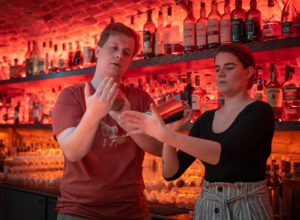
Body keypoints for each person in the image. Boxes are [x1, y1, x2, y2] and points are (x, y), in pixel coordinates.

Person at [120, 43, 275, 220]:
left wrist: (165, 134)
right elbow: (171, 173)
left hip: (246, 207)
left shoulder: (260, 111)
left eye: (229, 68)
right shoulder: (206, 119)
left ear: (248, 72)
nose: (221, 74)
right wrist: (170, 133)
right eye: (217, 69)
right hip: (208, 208)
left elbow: (224, 154)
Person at [52, 23, 163, 220]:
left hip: (132, 212)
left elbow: (160, 148)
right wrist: (93, 115)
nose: (119, 55)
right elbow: (73, 151)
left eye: (126, 52)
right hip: (79, 211)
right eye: (114, 48)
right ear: (98, 52)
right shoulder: (72, 96)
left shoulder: (141, 99)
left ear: (130, 61)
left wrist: (124, 116)